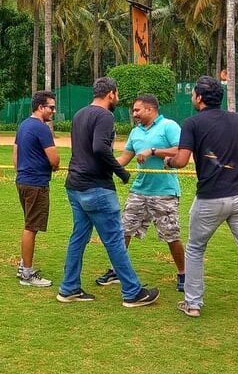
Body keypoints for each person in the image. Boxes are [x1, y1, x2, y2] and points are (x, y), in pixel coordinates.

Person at [164, 76, 238, 336]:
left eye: (193, 93)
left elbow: (182, 160)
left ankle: (193, 304)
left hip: (209, 199)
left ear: (198, 97)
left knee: (195, 249)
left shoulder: (192, 123)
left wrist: (169, 162)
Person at [57, 77, 159, 308]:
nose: (118, 98)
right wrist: (121, 172)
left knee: (78, 237)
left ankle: (69, 288)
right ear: (111, 93)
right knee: (114, 240)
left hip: (75, 186)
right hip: (96, 188)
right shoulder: (105, 116)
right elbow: (99, 148)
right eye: (117, 94)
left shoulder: (80, 114)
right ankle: (133, 292)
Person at [96, 94, 185, 292]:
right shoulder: (135, 132)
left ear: (150, 109)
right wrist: (104, 166)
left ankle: (183, 274)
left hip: (164, 192)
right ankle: (116, 270)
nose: (134, 113)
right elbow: (124, 158)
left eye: (137, 110)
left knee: (171, 235)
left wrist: (153, 151)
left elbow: (181, 150)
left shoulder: (169, 126)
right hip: (139, 191)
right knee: (123, 231)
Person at [13, 90, 60, 288]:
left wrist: (22, 172)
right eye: (51, 107)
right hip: (35, 184)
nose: (53, 111)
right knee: (31, 227)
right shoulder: (42, 128)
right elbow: (54, 159)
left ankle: (23, 265)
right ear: (41, 107)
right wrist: (54, 165)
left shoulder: (24, 125)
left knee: (29, 224)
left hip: (23, 181)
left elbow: (15, 154)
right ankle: (27, 273)